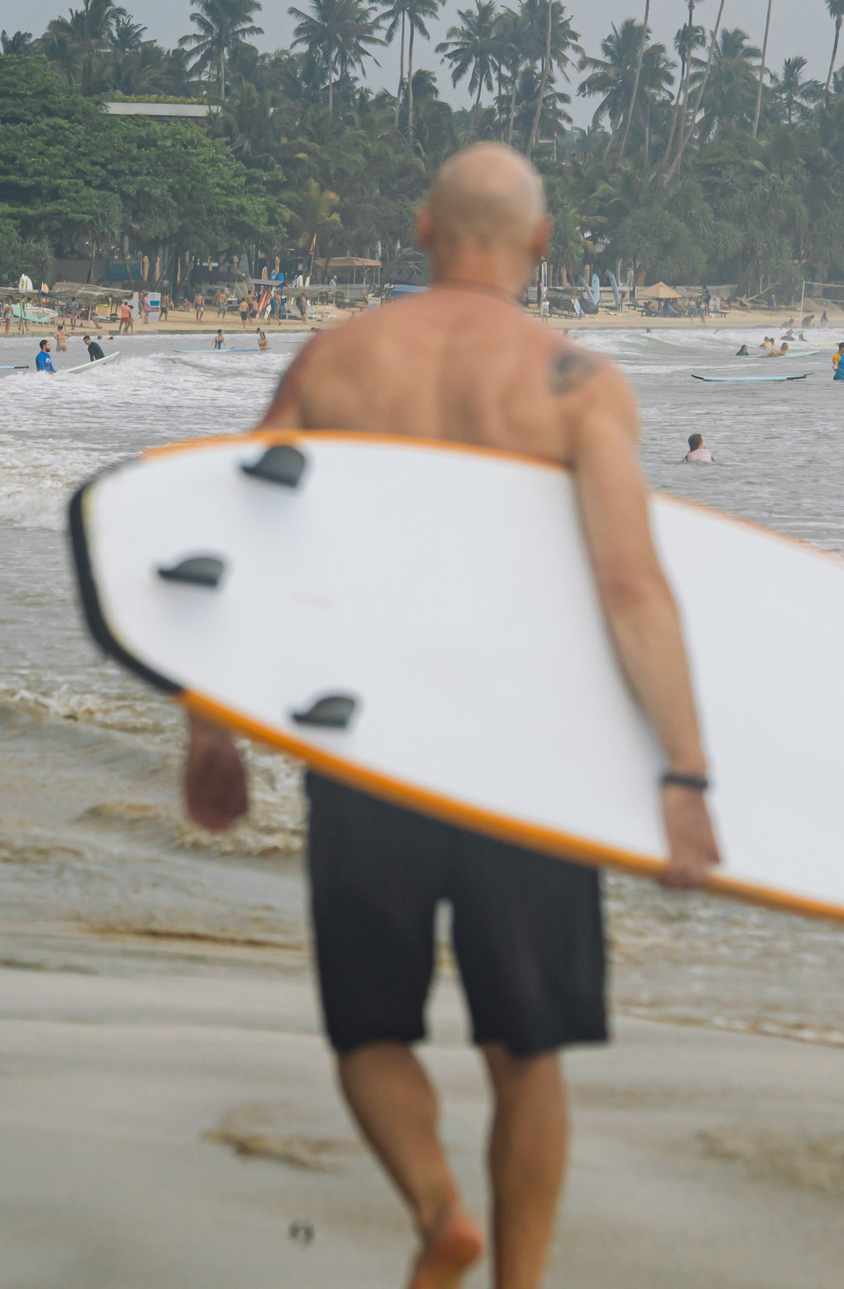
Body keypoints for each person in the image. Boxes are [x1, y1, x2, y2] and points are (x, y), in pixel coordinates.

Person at [186, 144, 717, 1289]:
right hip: (521, 759)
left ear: (423, 230)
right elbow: (630, 585)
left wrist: (210, 730)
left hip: (367, 745)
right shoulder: (579, 381)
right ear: (539, 243)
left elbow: (241, 545)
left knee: (370, 1033)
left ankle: (438, 1213)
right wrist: (684, 773)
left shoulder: (336, 360)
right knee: (526, 1050)